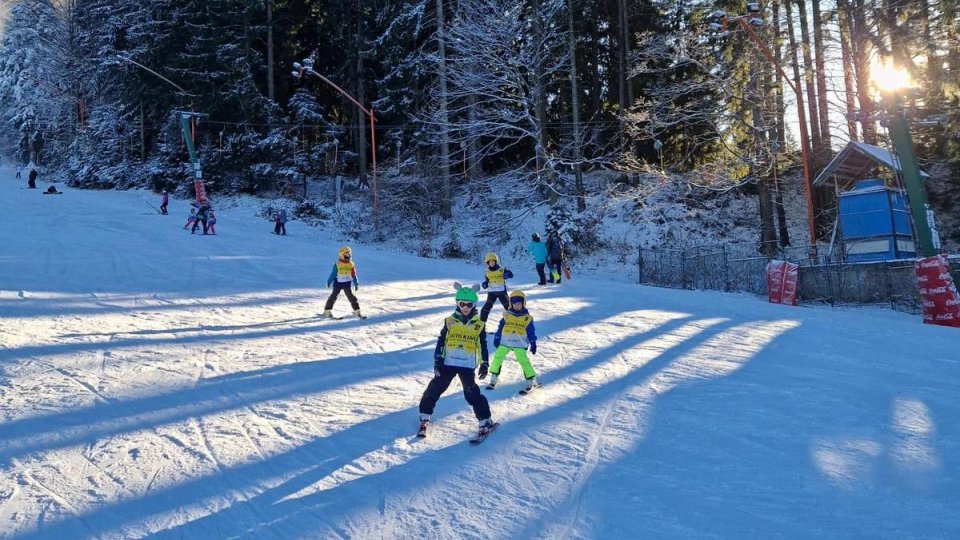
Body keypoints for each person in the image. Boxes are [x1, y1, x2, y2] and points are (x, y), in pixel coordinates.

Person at [417, 285, 495, 439]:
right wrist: (437, 360)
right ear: (457, 303)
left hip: (466, 365)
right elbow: (441, 341)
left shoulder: (479, 325)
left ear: (474, 305)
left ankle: (485, 421)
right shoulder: (449, 322)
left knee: (471, 394)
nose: (465, 307)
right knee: (434, 389)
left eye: (469, 304)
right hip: (448, 363)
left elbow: (483, 345)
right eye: (462, 304)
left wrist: (485, 363)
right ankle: (424, 416)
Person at [486, 290, 540, 393]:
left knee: (522, 359)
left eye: (519, 304)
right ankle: (493, 377)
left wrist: (533, 342)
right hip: (505, 342)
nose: (517, 306)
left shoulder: (527, 318)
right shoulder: (507, 315)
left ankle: (532, 379)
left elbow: (531, 331)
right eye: (514, 304)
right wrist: (497, 337)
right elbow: (500, 327)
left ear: (523, 303)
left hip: (519, 343)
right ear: (511, 304)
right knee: (498, 356)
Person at [323, 246, 363, 318]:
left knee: (351, 297)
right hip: (338, 284)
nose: (348, 256)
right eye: (346, 254)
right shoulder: (337, 264)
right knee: (333, 296)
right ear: (341, 254)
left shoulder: (351, 264)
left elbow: (354, 274)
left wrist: (356, 283)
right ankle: (327, 311)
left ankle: (357, 311)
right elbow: (333, 274)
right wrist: (329, 282)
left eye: (349, 254)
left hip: (347, 284)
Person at [479, 252, 514, 322]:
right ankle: (481, 326)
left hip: (502, 292)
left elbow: (511, 275)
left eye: (493, 261)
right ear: (487, 263)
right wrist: (484, 284)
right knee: (485, 309)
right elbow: (487, 280)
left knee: (510, 308)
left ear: (495, 261)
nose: (491, 263)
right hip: (491, 293)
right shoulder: (487, 271)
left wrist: (507, 274)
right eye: (490, 262)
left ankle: (514, 324)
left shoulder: (501, 269)